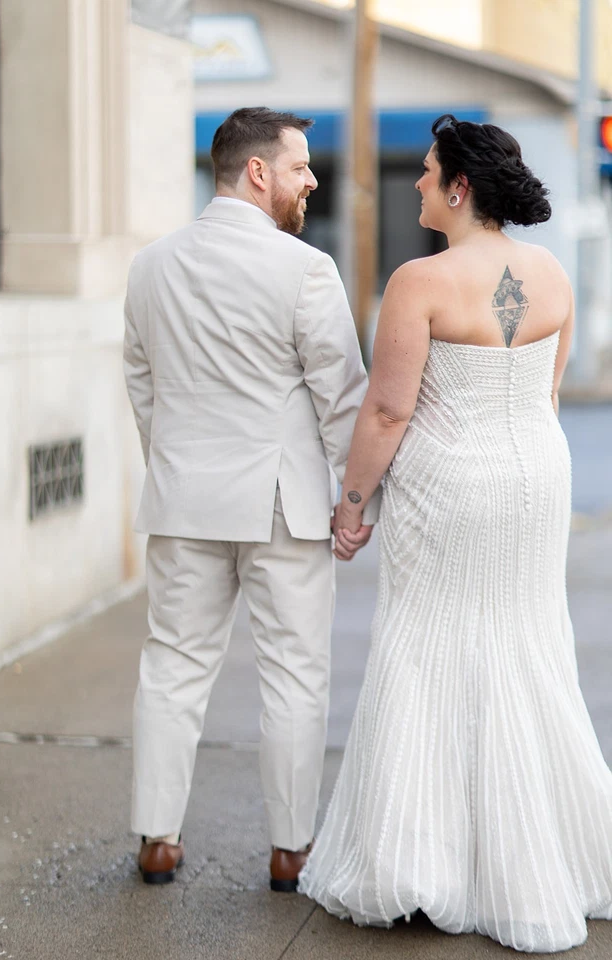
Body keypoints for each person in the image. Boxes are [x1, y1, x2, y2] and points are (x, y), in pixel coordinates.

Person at [298, 114, 612, 953]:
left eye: (428, 171)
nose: (417, 182)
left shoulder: (420, 282)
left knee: (427, 648)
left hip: (449, 489)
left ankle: (419, 862)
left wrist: (352, 502)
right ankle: (542, 853)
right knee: (526, 644)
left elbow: (391, 408)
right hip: (537, 481)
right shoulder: (550, 273)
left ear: (460, 188)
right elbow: (545, 389)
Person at [123, 107, 380, 889]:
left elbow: (142, 385)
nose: (311, 179)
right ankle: (290, 848)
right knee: (295, 674)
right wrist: (354, 500)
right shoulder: (303, 269)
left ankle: (157, 840)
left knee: (172, 666)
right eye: (300, 166)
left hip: (183, 498)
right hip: (283, 503)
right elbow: (342, 398)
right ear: (258, 171)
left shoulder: (150, 265)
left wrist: (173, 462)